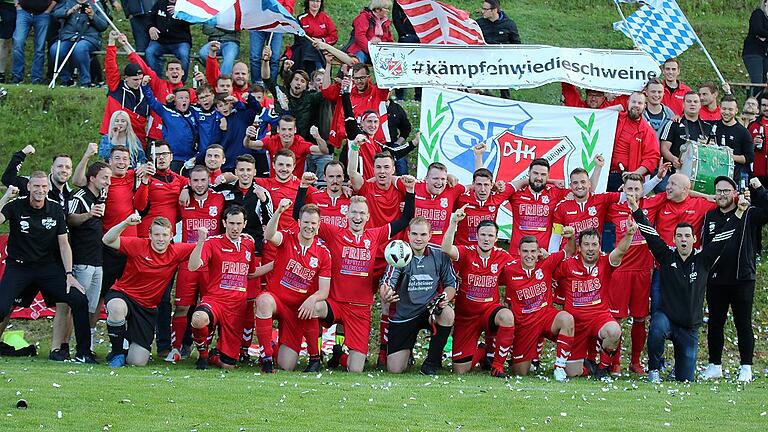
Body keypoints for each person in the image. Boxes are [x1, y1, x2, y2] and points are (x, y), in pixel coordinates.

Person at [292, 175, 416, 372]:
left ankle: (340, 356)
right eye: (354, 213)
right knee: (313, 308)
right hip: (335, 301)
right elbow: (297, 216)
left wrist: (409, 191)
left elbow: (406, 218)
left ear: (368, 217)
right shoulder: (334, 233)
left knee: (355, 369)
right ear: (347, 215)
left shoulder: (376, 235)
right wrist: (303, 186)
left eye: (362, 213)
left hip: (360, 309)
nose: (357, 217)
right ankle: (315, 359)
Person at [628, 192, 743, 383]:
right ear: (674, 239)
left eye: (687, 236)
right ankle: (654, 369)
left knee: (685, 379)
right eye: (679, 236)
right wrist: (635, 209)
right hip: (668, 319)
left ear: (693, 239)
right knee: (657, 325)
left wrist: (739, 212)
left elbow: (722, 237)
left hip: (689, 327)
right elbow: (649, 233)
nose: (683, 239)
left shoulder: (704, 260)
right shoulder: (666, 256)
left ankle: (678, 369)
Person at [0, 174, 94, 364]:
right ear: (29, 186)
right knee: (2, 307)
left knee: (78, 298)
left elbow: (63, 244)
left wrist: (69, 274)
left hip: (47, 268)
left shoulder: (55, 209)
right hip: (19, 267)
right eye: (36, 186)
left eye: (43, 186)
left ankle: (84, 353)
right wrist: (5, 198)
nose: (40, 190)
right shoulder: (15, 205)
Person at [102, 214, 196, 367]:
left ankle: (126, 348)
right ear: (150, 235)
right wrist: (125, 223)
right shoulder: (138, 245)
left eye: (165, 235)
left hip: (146, 308)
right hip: (124, 294)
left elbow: (207, 247)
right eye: (157, 234)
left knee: (137, 362)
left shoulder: (177, 251)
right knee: (116, 308)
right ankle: (117, 352)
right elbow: (107, 239)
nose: (161, 239)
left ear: (171, 236)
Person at [700, 177, 768, 383]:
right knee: (715, 323)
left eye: (726, 191)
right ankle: (714, 365)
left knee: (743, 323)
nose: (722, 195)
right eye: (719, 191)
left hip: (742, 278)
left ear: (734, 192)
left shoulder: (748, 213)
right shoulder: (709, 217)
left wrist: (759, 188)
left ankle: (746, 367)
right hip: (716, 279)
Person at [256, 200, 331, 373]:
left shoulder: (323, 253)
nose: (309, 227)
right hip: (277, 300)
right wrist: (279, 212)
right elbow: (269, 235)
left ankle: (307, 355)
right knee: (264, 301)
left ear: (319, 226)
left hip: (297, 310)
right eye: (306, 222)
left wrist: (312, 299)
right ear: (299, 223)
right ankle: (266, 358)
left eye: (313, 223)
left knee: (286, 366)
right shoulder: (287, 238)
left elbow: (324, 291)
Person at [442, 210, 519, 378]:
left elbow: (521, 271)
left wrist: (543, 258)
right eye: (483, 235)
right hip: (466, 317)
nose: (486, 239)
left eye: (490, 235)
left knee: (506, 316)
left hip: (489, 312)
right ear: (476, 236)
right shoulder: (467, 252)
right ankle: (483, 352)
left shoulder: (503, 256)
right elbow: (446, 248)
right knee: (460, 370)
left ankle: (497, 366)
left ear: (496, 239)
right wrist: (453, 222)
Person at [555, 224, 635, 379]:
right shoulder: (568, 264)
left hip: (599, 317)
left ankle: (603, 368)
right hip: (575, 324)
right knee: (572, 373)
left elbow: (620, 251)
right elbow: (551, 276)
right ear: (579, 247)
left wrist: (629, 234)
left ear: (600, 246)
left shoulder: (605, 261)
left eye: (594, 244)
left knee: (614, 331)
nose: (590, 249)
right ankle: (588, 366)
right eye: (586, 244)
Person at [381, 217, 456, 375]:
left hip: (429, 310)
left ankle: (432, 362)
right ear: (408, 235)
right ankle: (407, 355)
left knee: (448, 313)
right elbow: (387, 282)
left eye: (423, 234)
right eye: (414, 234)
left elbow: (451, 283)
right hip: (404, 315)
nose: (418, 238)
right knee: (395, 370)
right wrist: (386, 293)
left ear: (430, 235)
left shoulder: (440, 254)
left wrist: (445, 297)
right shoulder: (399, 253)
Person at [165, 165, 225, 363]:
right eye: (195, 181)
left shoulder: (220, 198)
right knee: (182, 306)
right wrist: (183, 189)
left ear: (209, 180)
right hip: (187, 261)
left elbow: (235, 180)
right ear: (188, 182)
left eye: (203, 180)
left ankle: (205, 349)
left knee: (209, 307)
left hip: (211, 264)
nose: (199, 184)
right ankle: (176, 348)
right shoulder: (182, 200)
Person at [500, 231, 578, 380]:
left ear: (538, 252)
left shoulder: (546, 263)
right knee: (521, 372)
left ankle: (559, 368)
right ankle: (519, 357)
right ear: (519, 252)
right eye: (525, 251)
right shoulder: (509, 269)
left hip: (545, 316)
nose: (529, 255)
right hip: (525, 324)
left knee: (567, 319)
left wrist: (571, 237)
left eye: (533, 251)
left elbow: (569, 250)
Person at [188, 205, 257, 370]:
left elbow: (251, 272)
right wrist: (200, 242)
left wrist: (275, 266)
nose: (235, 228)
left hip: (237, 307)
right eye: (231, 223)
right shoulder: (212, 242)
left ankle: (215, 355)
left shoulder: (249, 243)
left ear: (245, 224)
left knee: (228, 366)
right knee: (198, 319)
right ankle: (203, 356)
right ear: (224, 223)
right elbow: (192, 266)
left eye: (239, 223)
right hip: (216, 300)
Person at [66, 161, 111, 355]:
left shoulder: (101, 196)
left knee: (92, 307)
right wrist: (88, 214)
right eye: (104, 177)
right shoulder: (80, 195)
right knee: (78, 305)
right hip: (81, 259)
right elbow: (70, 218)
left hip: (97, 259)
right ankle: (67, 345)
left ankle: (87, 346)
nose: (108, 182)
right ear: (92, 178)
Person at [549, 165, 620, 254]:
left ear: (589, 184)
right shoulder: (561, 207)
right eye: (575, 183)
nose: (579, 186)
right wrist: (552, 259)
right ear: (570, 186)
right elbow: (556, 237)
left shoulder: (601, 199)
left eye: (583, 182)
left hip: (592, 257)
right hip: (570, 259)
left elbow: (627, 196)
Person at [321, 62, 389, 149]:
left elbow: (387, 79)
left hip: (374, 144)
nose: (359, 81)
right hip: (351, 143)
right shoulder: (347, 93)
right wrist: (328, 63)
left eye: (362, 78)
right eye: (356, 78)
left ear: (369, 77)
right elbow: (326, 92)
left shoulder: (377, 91)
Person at [507, 159, 569, 253]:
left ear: (548, 176)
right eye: (535, 173)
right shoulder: (516, 194)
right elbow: (501, 189)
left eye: (543, 174)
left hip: (542, 256)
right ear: (529, 173)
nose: (539, 177)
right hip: (517, 255)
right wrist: (551, 181)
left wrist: (598, 167)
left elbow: (584, 191)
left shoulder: (555, 193)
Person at [101, 31, 151, 145]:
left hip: (138, 141)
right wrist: (111, 43)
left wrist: (126, 45)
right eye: (135, 80)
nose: (138, 82)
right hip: (115, 138)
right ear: (126, 78)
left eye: (140, 79)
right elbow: (110, 66)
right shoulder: (116, 86)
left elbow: (142, 65)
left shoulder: (146, 92)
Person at [607, 92, 660, 191]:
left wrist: (635, 174)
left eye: (640, 103)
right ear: (628, 103)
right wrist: (613, 108)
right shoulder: (615, 119)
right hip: (603, 172)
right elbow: (597, 116)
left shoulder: (648, 131)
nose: (636, 105)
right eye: (633, 102)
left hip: (627, 178)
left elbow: (652, 158)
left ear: (645, 106)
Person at [245, 116, 329, 178]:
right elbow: (248, 144)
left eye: (290, 129)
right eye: (284, 129)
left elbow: (324, 151)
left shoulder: (300, 143)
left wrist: (317, 137)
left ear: (295, 130)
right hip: (274, 185)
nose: (287, 133)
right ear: (278, 129)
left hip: (294, 186)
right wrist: (248, 136)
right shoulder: (272, 141)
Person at [48, 0, 108, 87]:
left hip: (88, 37)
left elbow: (103, 25)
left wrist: (92, 15)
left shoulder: (95, 3)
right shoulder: (67, 2)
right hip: (68, 36)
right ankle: (66, 79)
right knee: (55, 49)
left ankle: (85, 81)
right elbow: (55, 14)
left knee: (80, 49)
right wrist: (69, 11)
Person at [142, 83, 198, 172]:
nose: (184, 100)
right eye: (181, 98)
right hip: (173, 159)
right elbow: (152, 101)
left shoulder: (194, 112)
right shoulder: (166, 111)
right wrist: (145, 86)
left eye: (186, 98)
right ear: (174, 101)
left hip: (191, 159)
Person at [660, 91, 713, 174]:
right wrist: (673, 159)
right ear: (683, 105)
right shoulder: (673, 124)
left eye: (695, 102)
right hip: (676, 173)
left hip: (700, 174)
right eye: (689, 101)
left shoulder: (708, 127)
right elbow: (664, 148)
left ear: (700, 106)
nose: (692, 104)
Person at [477, 0, 520, 98]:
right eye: (482, 8)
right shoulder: (479, 23)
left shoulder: (509, 24)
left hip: (503, 62)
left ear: (494, 10)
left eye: (485, 9)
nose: (482, 11)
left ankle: (505, 102)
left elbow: (516, 44)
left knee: (504, 87)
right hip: (483, 60)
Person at [248, 0, 294, 82]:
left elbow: (289, 4)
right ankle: (257, 85)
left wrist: (281, 13)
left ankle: (271, 86)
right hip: (257, 21)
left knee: (274, 58)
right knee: (255, 56)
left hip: (276, 22)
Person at [145, 0, 191, 80]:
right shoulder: (160, 2)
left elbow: (194, 19)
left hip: (180, 41)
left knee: (183, 54)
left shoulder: (185, 4)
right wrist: (150, 27)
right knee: (149, 52)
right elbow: (149, 17)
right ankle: (156, 81)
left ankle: (181, 83)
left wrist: (179, 12)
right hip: (160, 40)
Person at [10, 0, 54, 84]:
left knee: (40, 47)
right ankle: (17, 76)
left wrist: (48, 10)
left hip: (43, 14)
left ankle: (36, 78)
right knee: (18, 42)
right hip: (23, 12)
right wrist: (17, 4)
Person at [713, 95, 754, 183]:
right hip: (713, 174)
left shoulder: (743, 132)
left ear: (736, 111)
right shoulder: (713, 127)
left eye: (730, 109)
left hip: (734, 177)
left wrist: (729, 157)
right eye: (724, 108)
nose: (726, 112)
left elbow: (749, 158)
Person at [290, 0, 337, 75]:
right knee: (309, 43)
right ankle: (318, 67)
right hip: (304, 50)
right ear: (308, 2)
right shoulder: (301, 18)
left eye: (318, 1)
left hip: (322, 49)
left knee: (316, 45)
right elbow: (299, 38)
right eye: (312, 1)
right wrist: (314, 42)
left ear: (321, 3)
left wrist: (322, 41)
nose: (315, 4)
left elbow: (334, 37)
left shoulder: (326, 18)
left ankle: (318, 67)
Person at [303, 161, 351, 228]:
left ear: (343, 177)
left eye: (338, 176)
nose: (335, 181)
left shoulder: (351, 198)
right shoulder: (314, 198)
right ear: (325, 177)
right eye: (331, 176)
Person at [346, 0, 393, 64]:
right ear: (377, 9)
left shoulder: (385, 22)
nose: (388, 11)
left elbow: (389, 40)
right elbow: (360, 37)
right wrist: (371, 50)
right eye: (386, 8)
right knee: (358, 62)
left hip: (379, 52)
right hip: (360, 50)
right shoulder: (363, 17)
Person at [742, 2, 768, 97]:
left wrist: (764, 36)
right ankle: (751, 103)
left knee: (764, 82)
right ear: (765, 2)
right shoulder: (758, 14)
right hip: (752, 53)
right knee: (757, 80)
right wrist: (762, 35)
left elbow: (762, 34)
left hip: (764, 54)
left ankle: (760, 104)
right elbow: (758, 30)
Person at [747, 93, 768, 185]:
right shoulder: (753, 125)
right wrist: (753, 144)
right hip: (757, 174)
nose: (767, 108)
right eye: (764, 105)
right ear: (759, 107)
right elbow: (745, 150)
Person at [0, 0, 15, 83]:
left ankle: (17, 74)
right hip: (4, 6)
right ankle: (1, 73)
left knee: (18, 42)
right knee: (3, 41)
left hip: (24, 8)